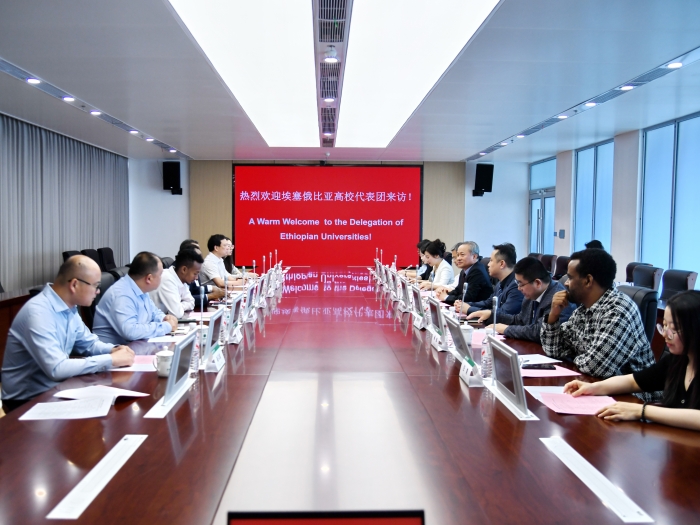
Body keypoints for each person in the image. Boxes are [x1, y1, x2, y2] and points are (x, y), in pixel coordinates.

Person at [1, 256, 135, 413]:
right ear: (74, 284)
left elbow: (89, 344)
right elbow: (57, 369)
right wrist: (111, 359)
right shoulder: (38, 313)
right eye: (96, 286)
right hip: (27, 401)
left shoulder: (69, 308)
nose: (98, 291)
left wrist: (114, 350)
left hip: (57, 389)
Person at [564, 291, 700, 431]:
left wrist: (641, 411)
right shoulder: (676, 360)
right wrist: (594, 388)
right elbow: (633, 381)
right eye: (664, 325)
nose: (665, 334)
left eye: (674, 329)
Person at [541, 249, 657, 394]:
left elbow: (595, 367)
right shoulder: (584, 309)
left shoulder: (618, 310)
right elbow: (554, 350)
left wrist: (572, 357)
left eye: (570, 278)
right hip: (598, 387)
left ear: (588, 281)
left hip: (634, 398)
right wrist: (553, 315)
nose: (566, 283)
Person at [477, 256, 575, 343]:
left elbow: (539, 332)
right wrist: (492, 315)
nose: (519, 288)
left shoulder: (558, 299)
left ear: (537, 283)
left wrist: (506, 329)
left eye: (521, 284)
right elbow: (520, 320)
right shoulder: (531, 294)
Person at [93, 252, 179, 344]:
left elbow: (153, 312)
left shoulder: (140, 288)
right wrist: (166, 326)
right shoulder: (122, 294)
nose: (161, 277)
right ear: (149, 278)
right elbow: (131, 332)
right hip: (112, 349)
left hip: (133, 346)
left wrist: (164, 318)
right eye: (160, 274)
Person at [463, 243, 524, 323]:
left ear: (502, 264)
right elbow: (488, 303)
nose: (488, 264)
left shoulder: (516, 285)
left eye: (491, 260)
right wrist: (465, 304)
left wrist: (469, 309)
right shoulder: (500, 283)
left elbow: (504, 314)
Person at [150, 248, 202, 318]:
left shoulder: (182, 279)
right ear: (184, 269)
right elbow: (177, 313)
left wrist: (180, 306)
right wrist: (179, 307)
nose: (196, 278)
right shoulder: (167, 279)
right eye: (195, 274)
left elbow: (192, 302)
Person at [439, 241, 492, 306]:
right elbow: (458, 290)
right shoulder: (465, 270)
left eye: (462, 255)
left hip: (478, 309)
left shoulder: (477, 271)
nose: (458, 258)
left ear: (474, 256)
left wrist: (446, 297)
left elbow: (467, 298)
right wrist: (445, 293)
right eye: (458, 255)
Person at [179, 240, 225, 308]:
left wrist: (212, 288)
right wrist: (211, 296)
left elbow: (194, 291)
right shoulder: (181, 273)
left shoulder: (190, 270)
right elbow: (184, 301)